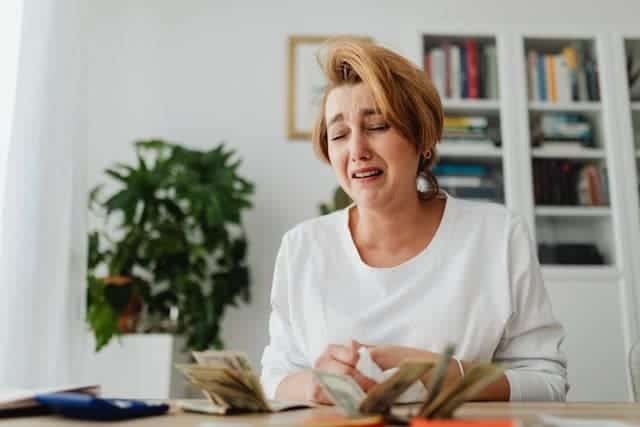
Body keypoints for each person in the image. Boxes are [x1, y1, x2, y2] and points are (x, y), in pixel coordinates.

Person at [260, 38, 568, 404]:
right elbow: (275, 379)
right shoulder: (303, 247)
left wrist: (443, 374)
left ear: (423, 137)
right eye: (339, 134)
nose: (357, 150)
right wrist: (314, 385)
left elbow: (547, 382)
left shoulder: (497, 235)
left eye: (376, 126)